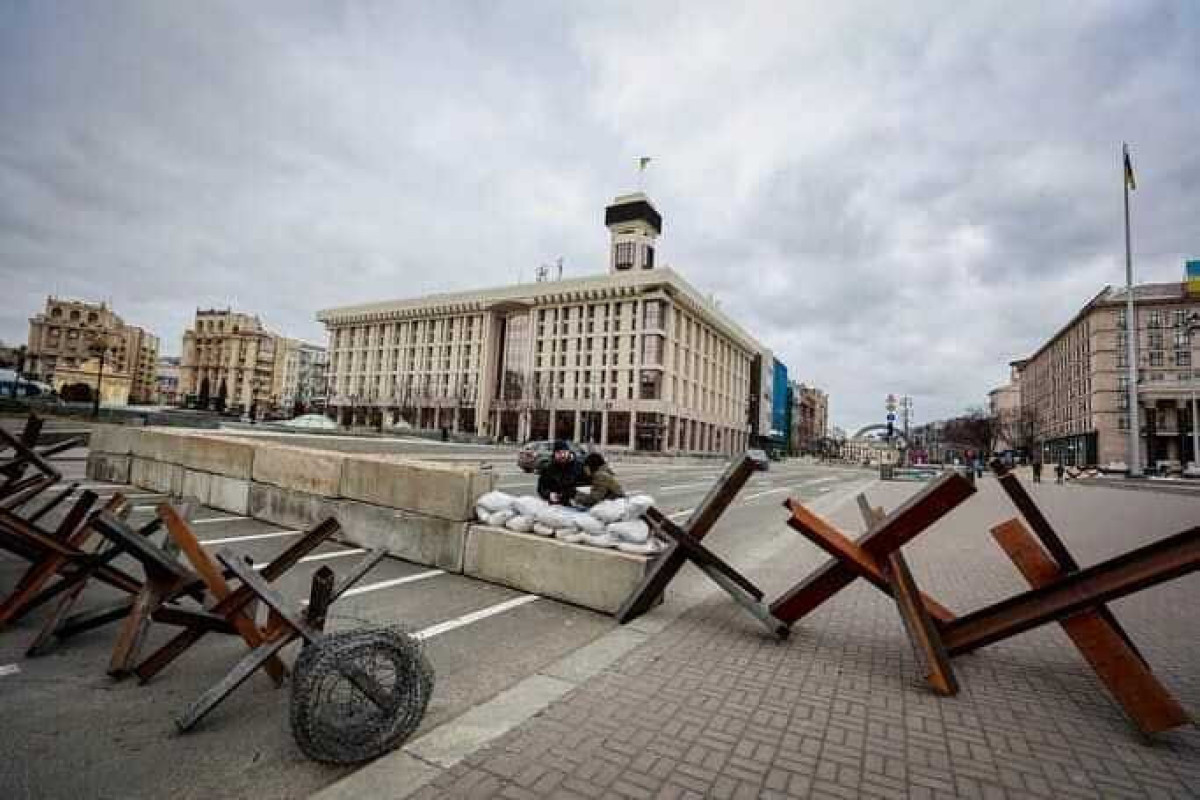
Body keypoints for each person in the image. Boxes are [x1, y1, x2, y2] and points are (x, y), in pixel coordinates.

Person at [537, 440, 581, 505]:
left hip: (576, 505)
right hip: (555, 506)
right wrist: (549, 494)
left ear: (569, 452)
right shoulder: (548, 468)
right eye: (559, 453)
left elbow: (586, 486)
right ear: (554, 454)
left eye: (564, 452)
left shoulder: (578, 466)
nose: (562, 455)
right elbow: (541, 488)